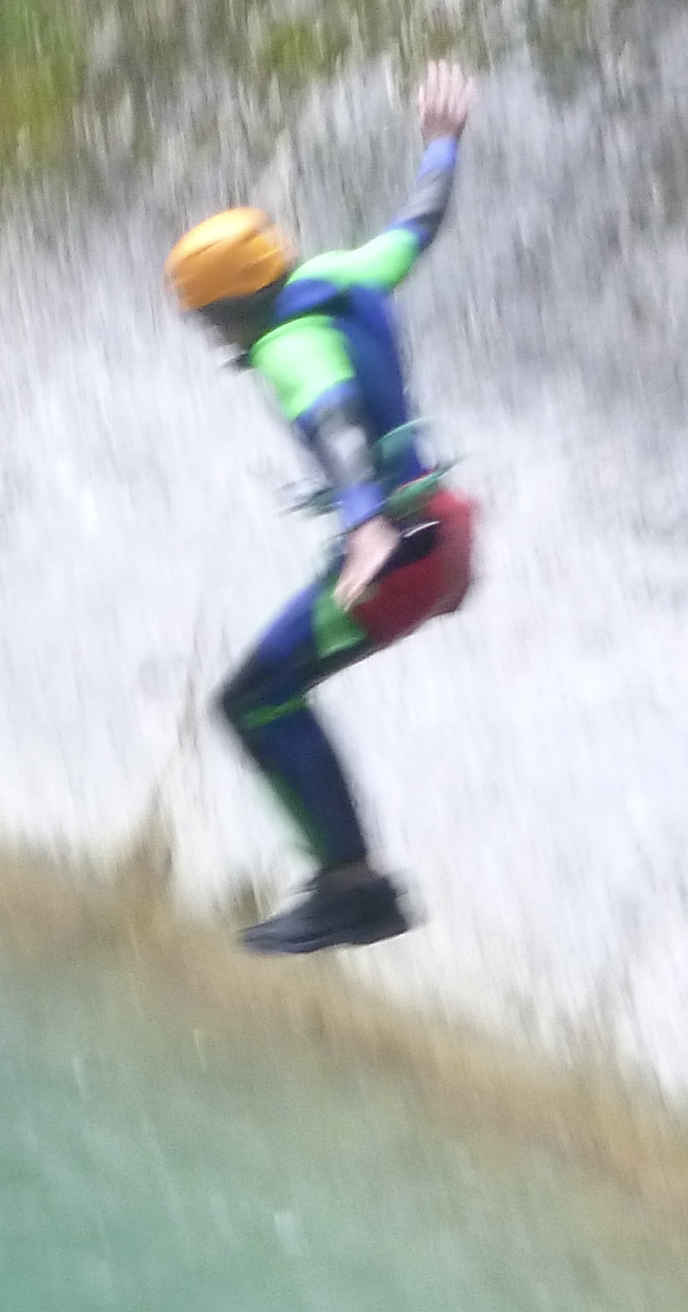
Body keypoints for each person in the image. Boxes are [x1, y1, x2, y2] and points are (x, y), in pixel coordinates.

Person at [168, 63, 483, 955]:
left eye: (209, 322)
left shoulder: (286, 344)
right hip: (446, 525)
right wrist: (442, 141)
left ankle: (353, 887)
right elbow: (420, 223)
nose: (214, 340)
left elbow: (333, 415)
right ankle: (349, 881)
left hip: (400, 551)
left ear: (234, 307)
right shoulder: (349, 274)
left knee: (255, 701)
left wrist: (363, 523)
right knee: (270, 689)